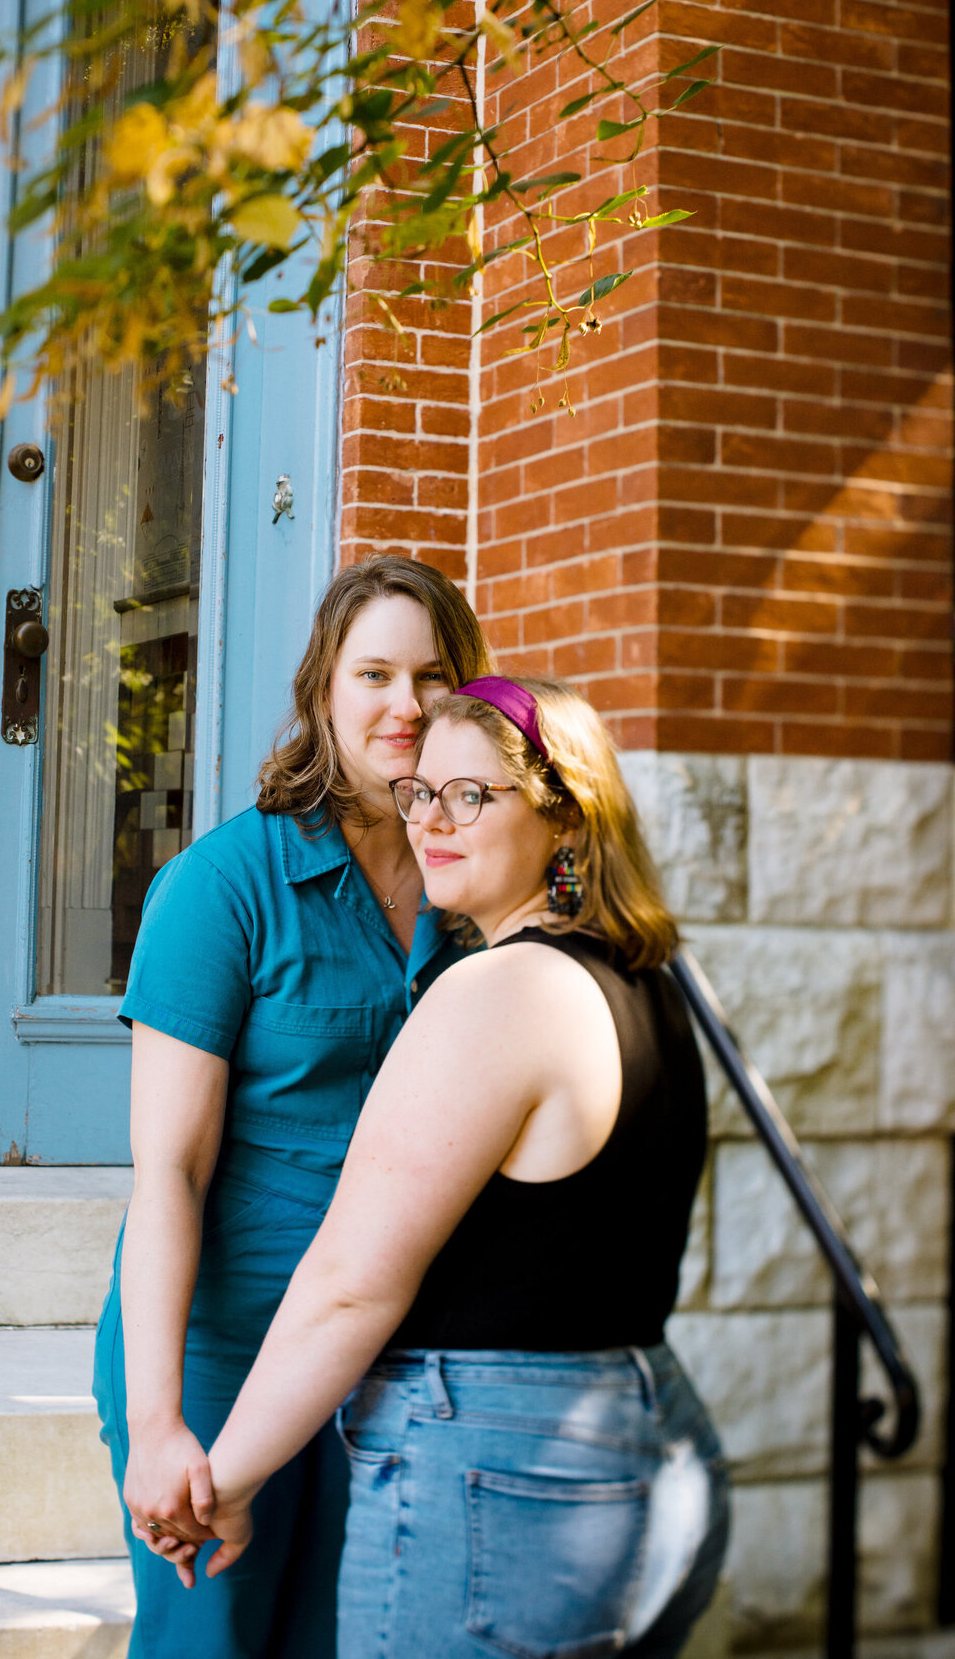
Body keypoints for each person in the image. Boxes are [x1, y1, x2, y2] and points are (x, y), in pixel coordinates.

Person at [152, 674, 730, 1659]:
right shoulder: (648, 989)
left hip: (499, 1473)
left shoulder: (493, 992)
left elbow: (349, 1284)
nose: (432, 821)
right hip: (652, 1440)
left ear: (565, 816)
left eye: (472, 795)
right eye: (421, 792)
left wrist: (230, 1477)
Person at [92, 554, 491, 1659]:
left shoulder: (469, 888)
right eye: (374, 674)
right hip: (225, 1353)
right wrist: (162, 1417)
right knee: (211, 1643)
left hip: (393, 1360)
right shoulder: (224, 886)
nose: (405, 706)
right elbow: (168, 1171)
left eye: (432, 676)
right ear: (326, 689)